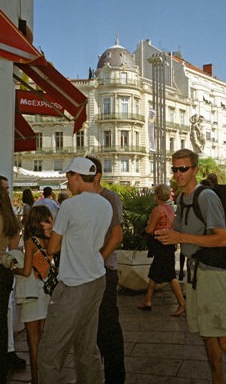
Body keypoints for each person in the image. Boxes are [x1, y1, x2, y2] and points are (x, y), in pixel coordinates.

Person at [155, 149, 226, 384]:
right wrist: (170, 234)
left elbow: (221, 238)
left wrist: (181, 238)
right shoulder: (181, 199)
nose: (178, 173)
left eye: (183, 168)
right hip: (196, 274)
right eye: (175, 169)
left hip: (213, 274)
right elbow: (181, 233)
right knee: (208, 336)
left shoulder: (206, 197)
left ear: (195, 170)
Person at [37, 157, 112, 384]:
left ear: (77, 177)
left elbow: (51, 249)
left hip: (73, 284)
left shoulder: (70, 205)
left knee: (49, 354)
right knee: (87, 347)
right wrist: (62, 233)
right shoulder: (105, 204)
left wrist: (55, 233)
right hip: (96, 279)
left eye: (69, 176)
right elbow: (83, 235)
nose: (67, 182)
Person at [87, 155, 125, 384]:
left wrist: (98, 260)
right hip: (87, 273)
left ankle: (115, 378)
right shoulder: (82, 199)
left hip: (104, 271)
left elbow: (116, 235)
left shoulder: (110, 197)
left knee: (108, 328)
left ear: (97, 176)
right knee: (90, 329)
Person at [9, 205, 53, 384]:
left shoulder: (30, 241)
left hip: (31, 295)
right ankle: (46, 377)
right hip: (45, 293)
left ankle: (36, 379)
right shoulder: (50, 241)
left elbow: (27, 271)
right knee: (43, 338)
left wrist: (13, 268)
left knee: (33, 341)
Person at [138, 184, 186, 316]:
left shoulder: (157, 210)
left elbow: (149, 229)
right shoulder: (169, 209)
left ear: (157, 195)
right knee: (154, 273)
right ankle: (147, 300)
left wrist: (147, 225)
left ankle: (182, 304)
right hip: (168, 244)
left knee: (170, 276)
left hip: (160, 245)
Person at [0, 175, 26, 375]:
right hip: (3, 272)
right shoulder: (9, 215)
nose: (8, 192)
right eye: (5, 189)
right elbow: (14, 246)